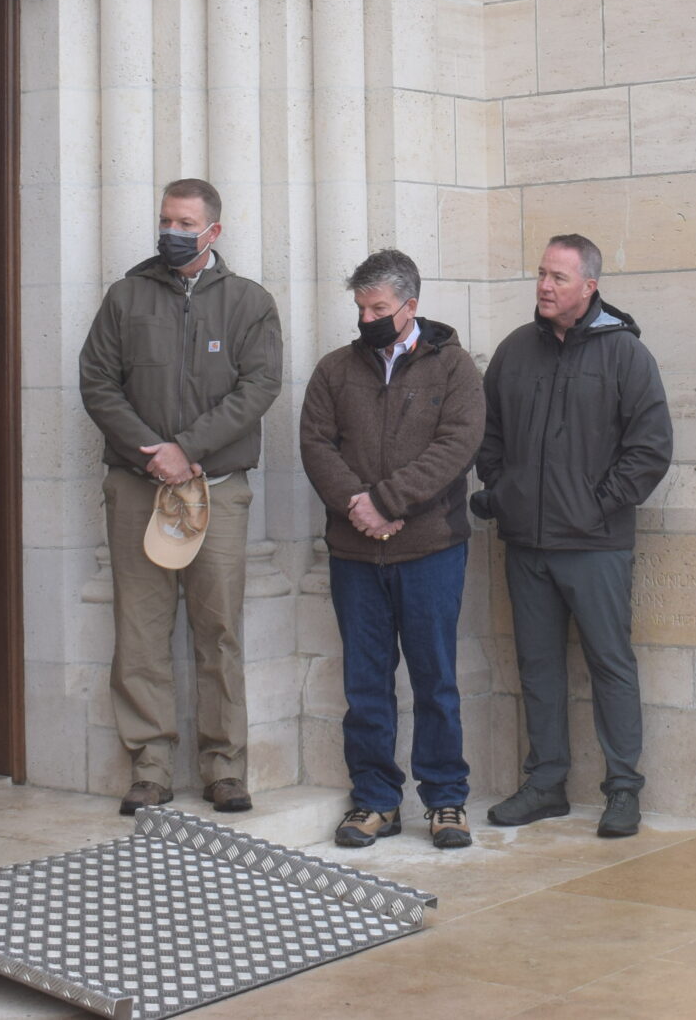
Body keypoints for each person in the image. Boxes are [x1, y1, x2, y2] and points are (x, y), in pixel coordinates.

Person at [78, 179, 284, 814]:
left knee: (217, 628)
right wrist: (152, 451)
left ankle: (224, 766)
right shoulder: (125, 296)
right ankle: (151, 766)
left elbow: (260, 386)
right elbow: (97, 381)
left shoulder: (249, 302)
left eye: (185, 222)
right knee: (139, 630)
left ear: (212, 232)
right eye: (165, 218)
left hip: (216, 490)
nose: (171, 230)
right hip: (138, 488)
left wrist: (187, 449)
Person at [472, 234, 674, 837]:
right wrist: (504, 491)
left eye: (558, 277)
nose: (544, 286)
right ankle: (546, 783)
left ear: (589, 286)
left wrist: (597, 508)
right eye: (540, 274)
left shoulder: (626, 355)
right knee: (537, 667)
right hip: (527, 545)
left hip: (595, 546)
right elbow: (489, 437)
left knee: (610, 664)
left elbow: (651, 449)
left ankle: (622, 789)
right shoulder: (514, 351)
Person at [297, 249, 486, 851]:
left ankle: (445, 799)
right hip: (356, 555)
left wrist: (387, 501)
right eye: (360, 307)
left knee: (435, 678)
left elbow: (457, 447)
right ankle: (375, 801)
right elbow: (316, 444)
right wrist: (357, 505)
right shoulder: (333, 370)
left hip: (431, 549)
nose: (367, 318)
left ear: (411, 305)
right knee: (366, 682)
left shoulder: (455, 369)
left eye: (379, 307)